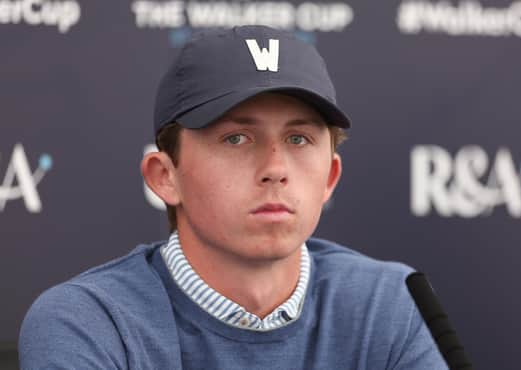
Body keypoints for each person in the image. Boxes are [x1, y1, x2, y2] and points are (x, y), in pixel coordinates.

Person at [19, 25, 448, 369]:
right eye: (237, 138)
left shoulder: (390, 302)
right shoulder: (88, 321)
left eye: (298, 138)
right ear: (165, 177)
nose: (276, 168)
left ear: (330, 177)